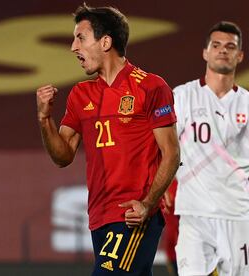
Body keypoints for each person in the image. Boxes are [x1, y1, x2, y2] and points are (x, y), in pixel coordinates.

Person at [36, 3, 180, 275]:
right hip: (99, 216)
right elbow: (62, 156)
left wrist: (147, 204)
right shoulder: (80, 94)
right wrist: (45, 119)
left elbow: (172, 154)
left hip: (133, 214)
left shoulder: (150, 87)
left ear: (105, 42)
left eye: (80, 37)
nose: (73, 47)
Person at [173, 21, 249, 276]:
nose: (222, 51)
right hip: (193, 214)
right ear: (205, 52)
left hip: (238, 214)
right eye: (216, 45)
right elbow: (164, 150)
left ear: (240, 55)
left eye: (230, 46)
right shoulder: (181, 97)